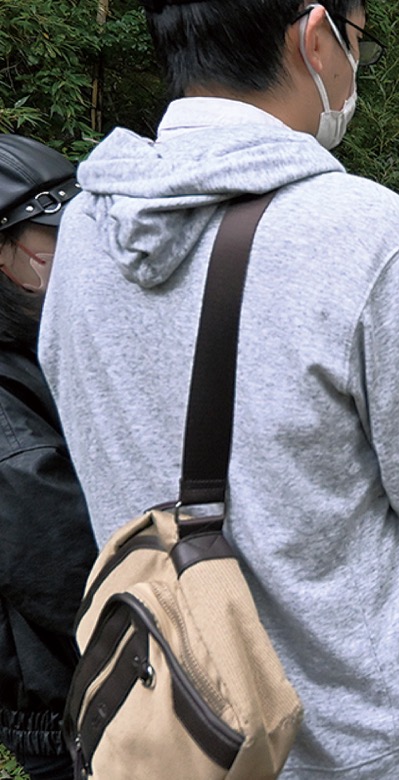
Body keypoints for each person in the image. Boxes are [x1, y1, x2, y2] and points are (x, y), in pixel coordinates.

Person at [37, 3, 399, 779]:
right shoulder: (365, 232)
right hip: (389, 739)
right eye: (360, 41)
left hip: (185, 732)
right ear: (317, 36)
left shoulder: (82, 234)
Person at [0, 135, 94, 780]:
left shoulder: (40, 347)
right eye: (55, 239)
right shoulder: (9, 427)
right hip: (73, 703)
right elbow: (73, 585)